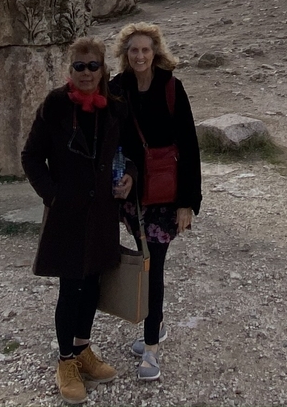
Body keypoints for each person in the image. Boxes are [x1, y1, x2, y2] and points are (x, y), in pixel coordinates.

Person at [21, 36, 133, 405]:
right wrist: (52, 194)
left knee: (93, 284)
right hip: (67, 213)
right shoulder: (55, 105)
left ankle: (83, 348)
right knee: (71, 288)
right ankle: (66, 360)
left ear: (104, 69)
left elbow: (128, 153)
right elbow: (31, 156)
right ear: (69, 70)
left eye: (93, 66)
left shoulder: (114, 108)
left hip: (102, 212)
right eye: (79, 67)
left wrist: (129, 176)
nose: (86, 74)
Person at [110, 21, 202, 382]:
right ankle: (156, 326)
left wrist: (188, 203)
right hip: (134, 195)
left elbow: (190, 147)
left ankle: (151, 349)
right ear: (125, 54)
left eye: (146, 49)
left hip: (166, 197)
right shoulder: (118, 89)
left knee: (153, 269)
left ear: (156, 51)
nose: (140, 55)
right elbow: (113, 141)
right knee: (145, 264)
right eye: (133, 49)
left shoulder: (172, 88)